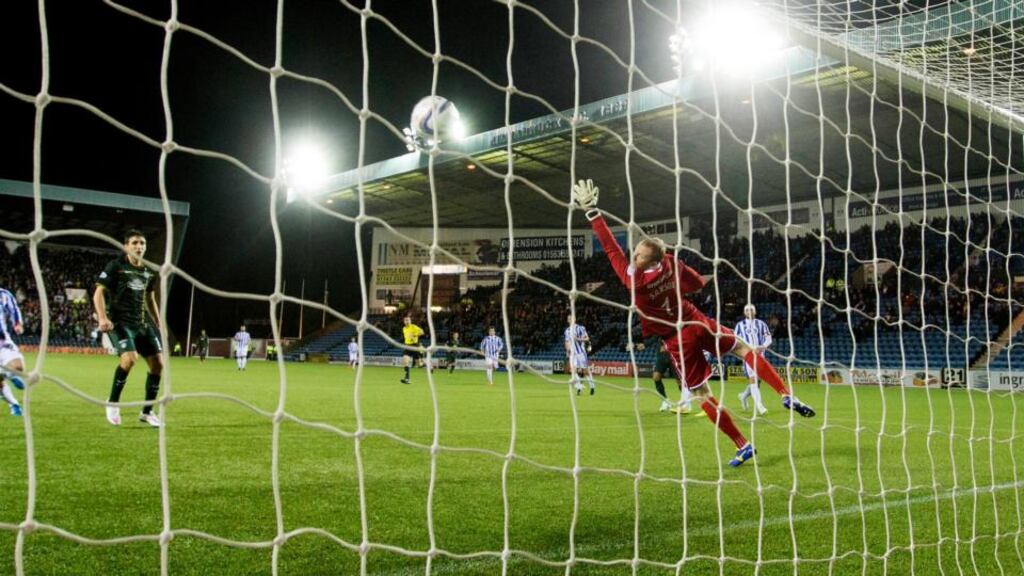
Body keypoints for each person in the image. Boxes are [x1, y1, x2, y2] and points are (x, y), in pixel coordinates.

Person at [574, 179, 814, 467]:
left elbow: (612, 249)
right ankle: (785, 394)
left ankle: (743, 444)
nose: (632, 253)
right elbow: (697, 282)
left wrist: (591, 211)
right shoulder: (671, 263)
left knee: (702, 394)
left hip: (677, 339)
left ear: (642, 259)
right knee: (745, 349)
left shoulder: (633, 280)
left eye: (636, 252)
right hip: (697, 320)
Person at [93, 229, 163, 427]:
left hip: (142, 324)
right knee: (130, 359)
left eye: (142, 243)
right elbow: (98, 294)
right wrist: (102, 318)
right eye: (134, 243)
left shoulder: (150, 270)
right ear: (126, 246)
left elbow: (150, 298)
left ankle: (147, 412)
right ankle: (112, 403)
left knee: (158, 364)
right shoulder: (116, 266)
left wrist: (158, 322)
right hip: (120, 324)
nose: (139, 246)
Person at [735, 304, 771, 416]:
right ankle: (760, 406)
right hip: (748, 356)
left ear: (755, 312)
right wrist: (741, 353)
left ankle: (743, 396)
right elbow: (736, 341)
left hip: (761, 356)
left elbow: (768, 338)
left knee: (758, 381)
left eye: (751, 310)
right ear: (744, 312)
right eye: (746, 310)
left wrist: (763, 346)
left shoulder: (761, 324)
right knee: (754, 380)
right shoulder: (740, 325)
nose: (749, 311)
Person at [0, 287, 26, 417]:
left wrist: (17, 323)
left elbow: (14, 309)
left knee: (18, 367)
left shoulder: (3, 294)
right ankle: (14, 404)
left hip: (3, 341)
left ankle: (11, 375)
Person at [652, 342, 692, 414]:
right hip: (661, 356)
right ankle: (665, 401)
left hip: (674, 356)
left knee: (679, 381)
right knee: (656, 377)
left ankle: (686, 403)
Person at [564, 315, 595, 395]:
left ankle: (592, 386)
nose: (570, 320)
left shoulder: (580, 328)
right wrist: (568, 350)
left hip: (581, 353)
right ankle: (579, 386)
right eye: (568, 319)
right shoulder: (567, 331)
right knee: (572, 370)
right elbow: (567, 342)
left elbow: (587, 338)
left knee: (585, 371)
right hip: (572, 354)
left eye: (571, 318)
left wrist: (577, 338)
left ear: (575, 319)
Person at [400, 316, 425, 384]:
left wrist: (414, 335)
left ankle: (427, 365)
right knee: (405, 361)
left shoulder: (413, 326)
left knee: (419, 364)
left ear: (410, 321)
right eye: (405, 320)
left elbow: (422, 332)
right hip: (407, 346)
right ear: (404, 322)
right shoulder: (404, 328)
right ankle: (407, 378)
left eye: (408, 320)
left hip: (414, 346)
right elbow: (406, 337)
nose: (407, 321)